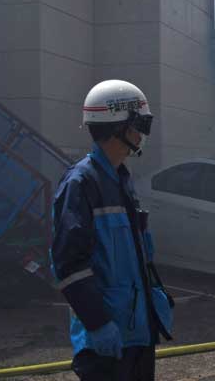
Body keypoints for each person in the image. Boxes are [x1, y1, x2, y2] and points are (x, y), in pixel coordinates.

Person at [51, 80, 173, 381]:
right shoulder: (81, 184)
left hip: (136, 334)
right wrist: (98, 323)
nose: (142, 134)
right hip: (106, 344)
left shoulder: (121, 180)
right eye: (139, 124)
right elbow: (68, 266)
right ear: (118, 128)